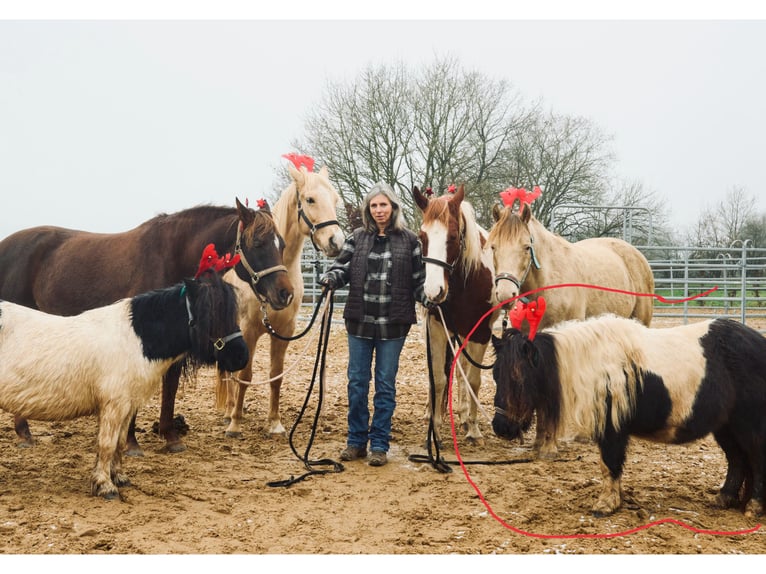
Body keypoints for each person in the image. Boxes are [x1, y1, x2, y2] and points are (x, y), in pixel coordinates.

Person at [319, 182, 427, 467]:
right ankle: (356, 441)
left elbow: (418, 282)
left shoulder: (410, 241)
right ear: (369, 209)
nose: (379, 210)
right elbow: (341, 267)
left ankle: (379, 443)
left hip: (393, 326)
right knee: (357, 383)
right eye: (374, 206)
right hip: (360, 323)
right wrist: (331, 278)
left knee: (385, 385)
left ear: (393, 207)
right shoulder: (357, 237)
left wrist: (430, 298)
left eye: (384, 205)